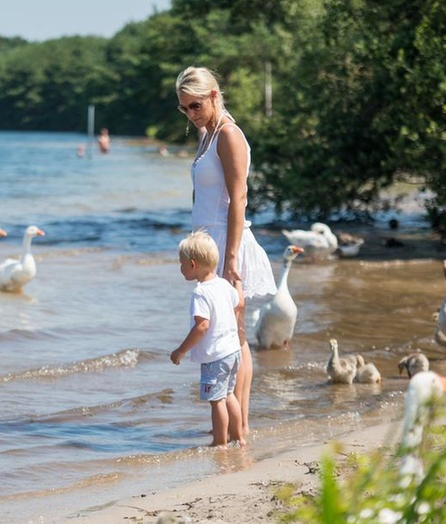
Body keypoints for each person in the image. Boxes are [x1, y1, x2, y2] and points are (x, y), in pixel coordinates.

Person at [176, 66, 277, 436]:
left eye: (196, 105)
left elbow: (239, 198)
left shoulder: (228, 135)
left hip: (226, 243)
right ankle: (231, 423)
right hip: (208, 244)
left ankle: (242, 425)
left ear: (215, 95)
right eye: (184, 108)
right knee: (222, 335)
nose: (191, 113)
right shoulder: (207, 134)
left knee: (234, 335)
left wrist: (231, 257)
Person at [171, 231, 245, 446]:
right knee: (229, 395)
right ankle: (239, 438)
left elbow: (202, 325)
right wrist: (238, 283)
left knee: (216, 400)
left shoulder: (201, 293)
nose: (180, 268)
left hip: (216, 356)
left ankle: (220, 443)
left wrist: (181, 350)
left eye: (181, 263)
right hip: (233, 351)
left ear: (193, 265)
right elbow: (238, 304)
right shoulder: (223, 284)